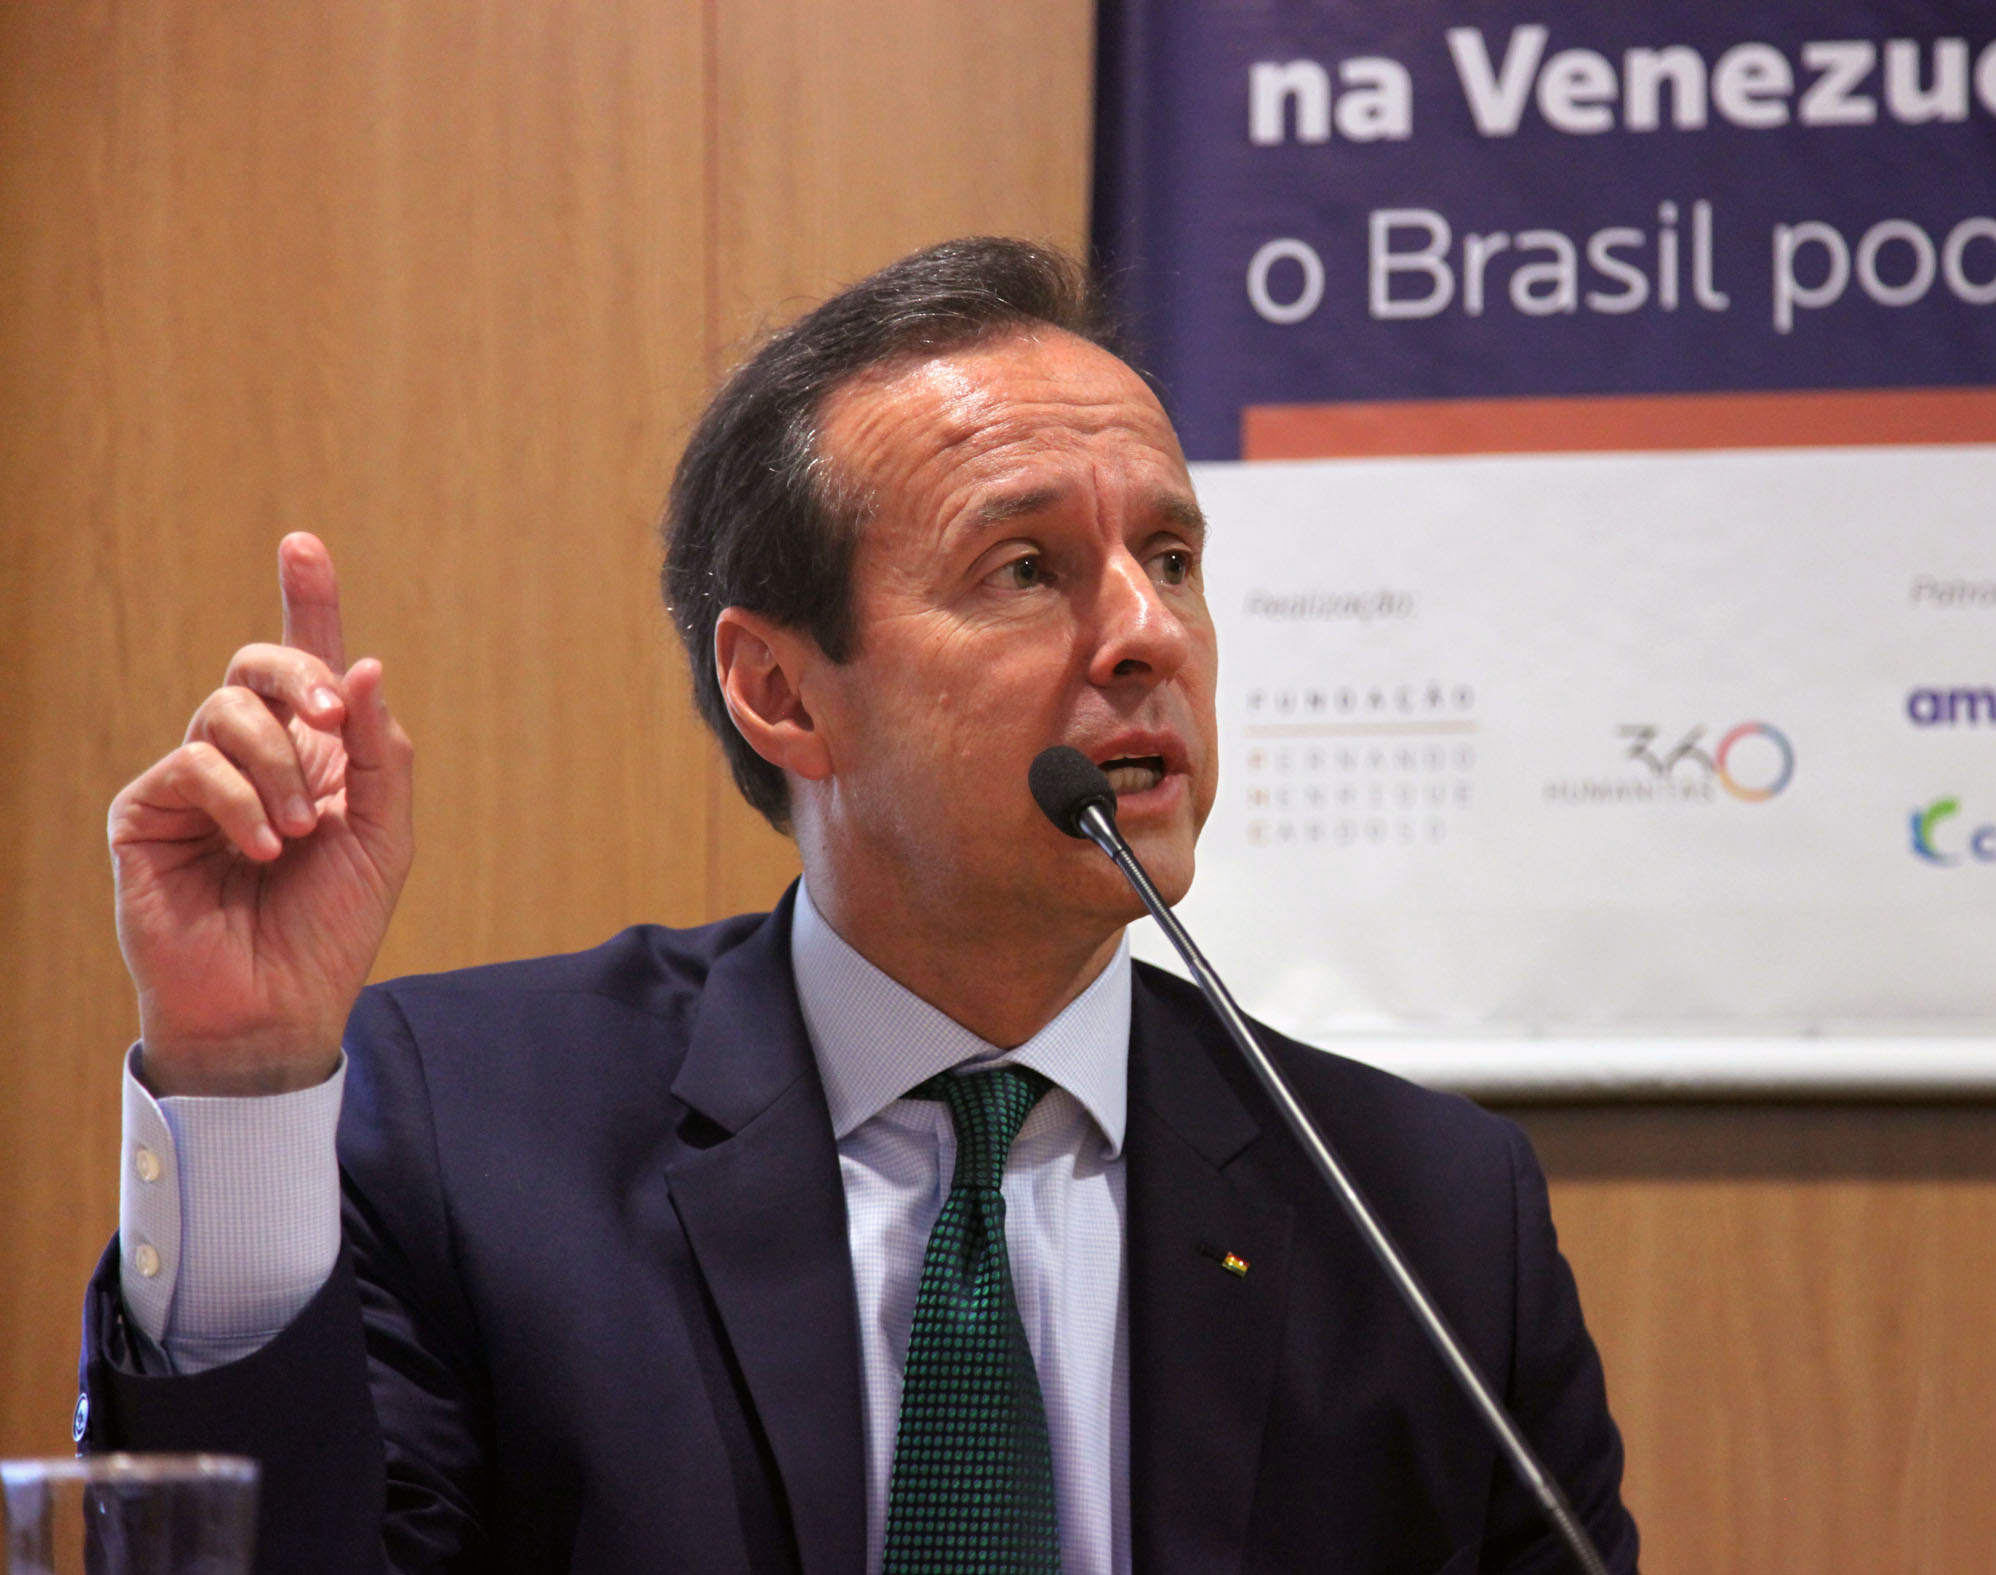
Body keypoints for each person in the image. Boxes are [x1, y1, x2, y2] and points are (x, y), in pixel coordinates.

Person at [79, 237, 1639, 1574]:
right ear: (778, 691)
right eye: (1025, 568)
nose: (1147, 631)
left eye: (1170, 556)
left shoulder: (1423, 1220)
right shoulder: (465, 1140)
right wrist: (242, 1077)